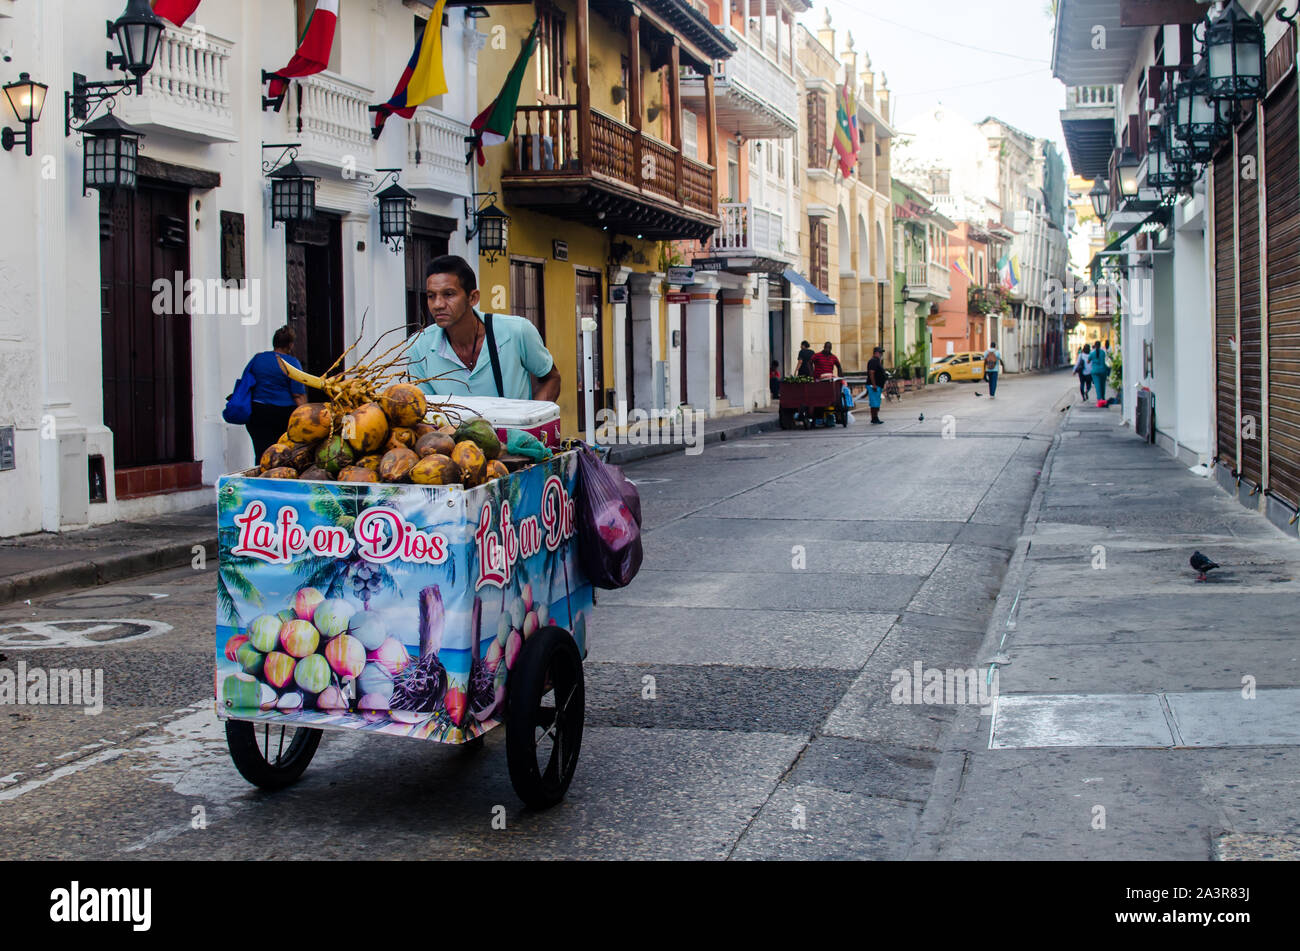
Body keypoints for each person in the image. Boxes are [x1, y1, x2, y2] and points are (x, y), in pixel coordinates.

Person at [406, 255, 561, 402]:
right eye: (431, 296)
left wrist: (533, 421)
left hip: (514, 430)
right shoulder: (418, 347)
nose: (438, 304)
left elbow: (551, 377)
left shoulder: (517, 331)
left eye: (449, 294)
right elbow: (426, 407)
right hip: (450, 430)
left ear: (473, 298)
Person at [244, 325, 308, 463]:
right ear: (290, 344)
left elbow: (245, 382)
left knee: (261, 452)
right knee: (282, 453)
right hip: (283, 414)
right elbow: (298, 395)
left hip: (258, 412)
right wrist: (306, 417)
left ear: (274, 342)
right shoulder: (291, 363)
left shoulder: (258, 359)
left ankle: (260, 478)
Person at [866, 346, 887, 425]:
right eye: (880, 353)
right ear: (876, 353)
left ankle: (875, 417)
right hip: (874, 386)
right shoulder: (873, 361)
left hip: (878, 386)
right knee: (874, 403)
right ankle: (874, 418)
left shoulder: (877, 361)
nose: (881, 355)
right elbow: (871, 373)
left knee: (877, 402)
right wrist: (874, 385)